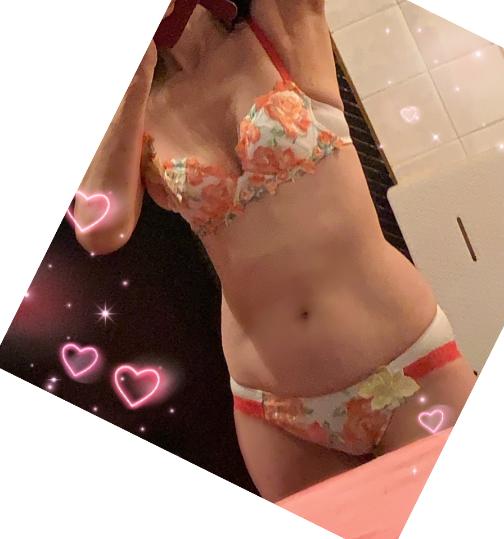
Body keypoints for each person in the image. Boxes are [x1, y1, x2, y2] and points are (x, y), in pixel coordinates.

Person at [73, 0, 477, 502]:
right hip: (273, 410)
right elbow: (98, 228)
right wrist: (132, 79)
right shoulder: (136, 112)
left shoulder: (284, 25)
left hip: (406, 366)